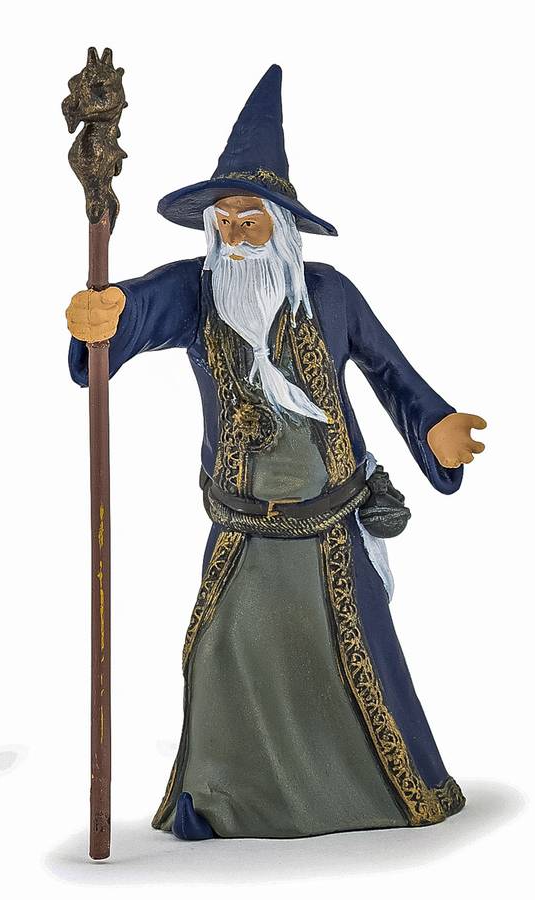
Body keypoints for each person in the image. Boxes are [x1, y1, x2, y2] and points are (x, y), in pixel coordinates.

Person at [66, 65, 486, 840]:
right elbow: (144, 306)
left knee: (356, 664)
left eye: (250, 220)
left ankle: (380, 793)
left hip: (332, 531)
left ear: (282, 228)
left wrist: (434, 426)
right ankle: (225, 801)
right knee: (222, 654)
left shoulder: (331, 297)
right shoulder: (199, 295)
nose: (234, 235)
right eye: (223, 221)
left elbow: (391, 372)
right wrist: (111, 311)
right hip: (244, 531)